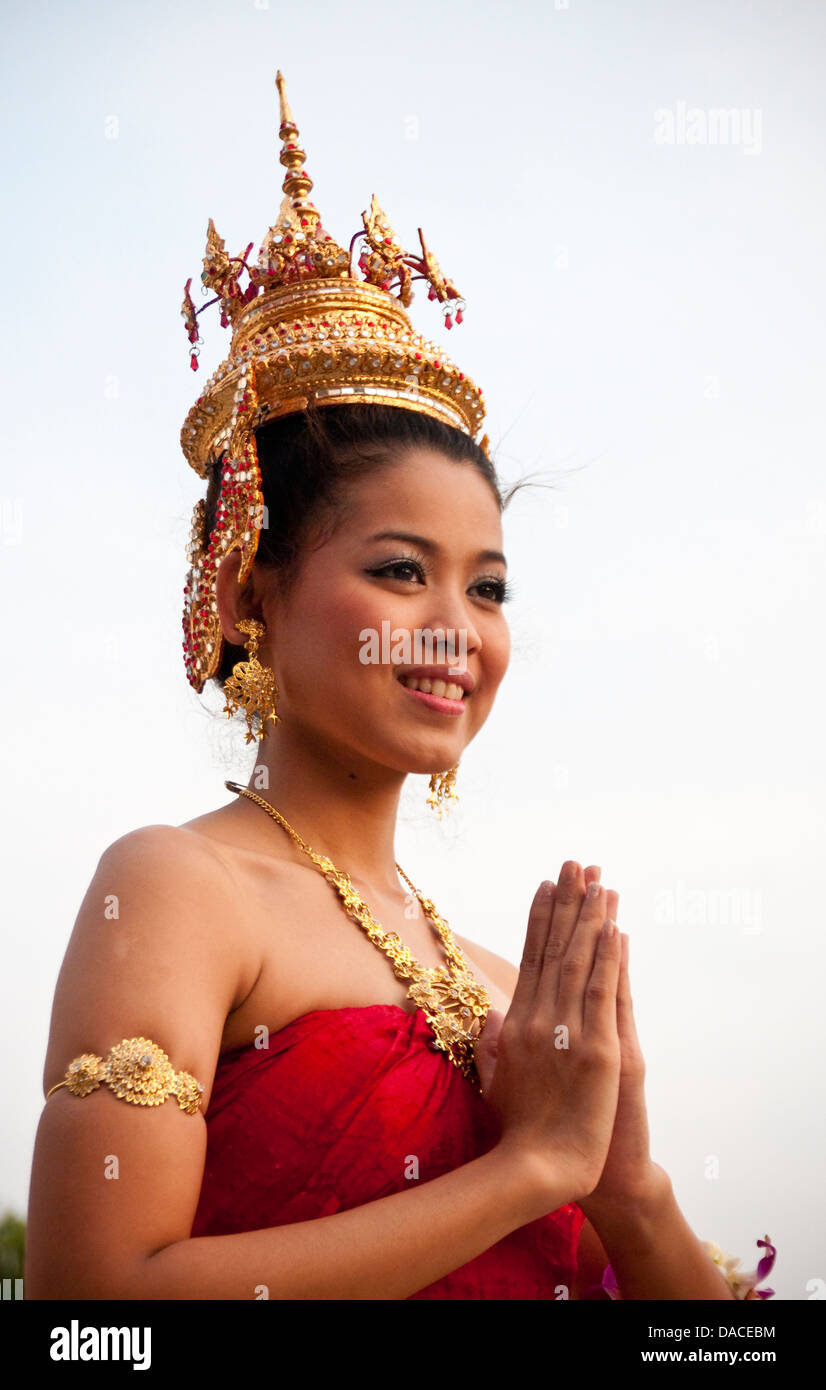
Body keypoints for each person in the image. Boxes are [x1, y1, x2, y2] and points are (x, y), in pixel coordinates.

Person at [25, 70, 773, 1302]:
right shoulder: (176, 888)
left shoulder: (502, 989)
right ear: (249, 591)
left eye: (487, 590)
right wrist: (529, 1166)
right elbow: (90, 1312)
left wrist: (625, 1182)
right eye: (398, 571)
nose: (454, 631)